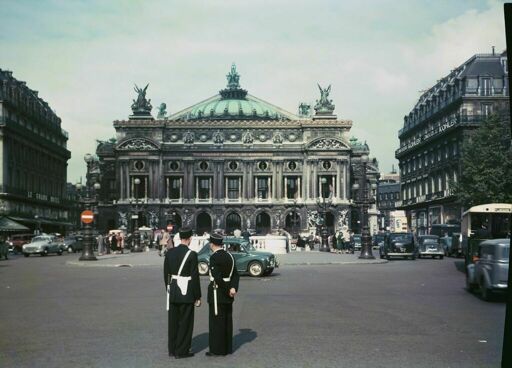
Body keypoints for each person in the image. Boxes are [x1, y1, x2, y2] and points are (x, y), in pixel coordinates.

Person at [163, 227, 201, 359]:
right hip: (187, 292)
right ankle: (182, 351)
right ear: (189, 239)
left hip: (173, 291)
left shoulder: (170, 253)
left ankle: (172, 349)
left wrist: (169, 289)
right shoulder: (192, 254)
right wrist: (197, 296)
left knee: (173, 322)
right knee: (185, 322)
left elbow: (166, 275)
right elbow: (195, 277)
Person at [206, 232, 240, 357]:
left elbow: (217, 278)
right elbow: (235, 274)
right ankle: (227, 348)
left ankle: (217, 350)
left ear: (212, 244)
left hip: (218, 293)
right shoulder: (230, 256)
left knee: (216, 323)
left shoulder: (214, 258)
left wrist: (226, 290)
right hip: (229, 292)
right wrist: (233, 288)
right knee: (227, 321)